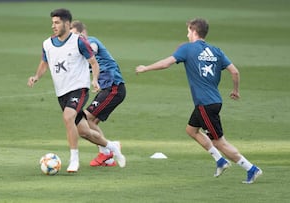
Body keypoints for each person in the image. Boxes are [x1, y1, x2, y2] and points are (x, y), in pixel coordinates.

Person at [135, 18, 262, 184]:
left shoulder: (187, 49)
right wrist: (235, 91)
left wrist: (146, 68)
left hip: (205, 104)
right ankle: (220, 161)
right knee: (191, 130)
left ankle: (251, 169)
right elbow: (235, 72)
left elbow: (166, 63)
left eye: (188, 31)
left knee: (219, 142)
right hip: (213, 100)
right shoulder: (216, 51)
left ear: (194, 31)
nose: (187, 34)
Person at [27, 8, 125, 173]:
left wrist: (94, 79)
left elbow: (93, 62)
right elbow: (44, 62)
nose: (54, 26)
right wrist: (36, 76)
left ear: (66, 23)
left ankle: (74, 159)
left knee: (68, 116)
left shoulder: (79, 41)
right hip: (62, 92)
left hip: (79, 88)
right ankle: (112, 146)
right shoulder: (47, 44)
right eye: (52, 23)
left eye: (57, 22)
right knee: (85, 131)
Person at [70, 20, 126, 167]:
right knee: (91, 122)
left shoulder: (91, 42)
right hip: (107, 89)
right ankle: (108, 158)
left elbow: (92, 48)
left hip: (114, 87)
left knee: (85, 119)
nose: (74, 39)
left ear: (82, 33)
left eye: (75, 35)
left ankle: (108, 150)